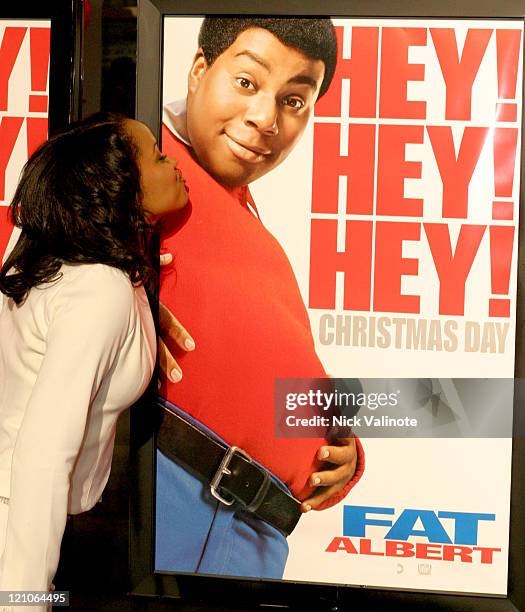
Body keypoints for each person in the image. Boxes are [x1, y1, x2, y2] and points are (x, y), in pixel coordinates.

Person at [156, 17, 364, 579]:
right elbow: (30, 281)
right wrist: (105, 309)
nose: (266, 118)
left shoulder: (248, 222)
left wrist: (339, 450)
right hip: (175, 502)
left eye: (295, 100)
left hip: (255, 534)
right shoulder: (133, 158)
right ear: (200, 70)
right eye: (247, 82)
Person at [0, 113, 187, 597]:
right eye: (158, 156)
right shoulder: (97, 290)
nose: (173, 164)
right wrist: (23, 598)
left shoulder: (53, 260)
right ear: (120, 186)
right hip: (17, 526)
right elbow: (43, 455)